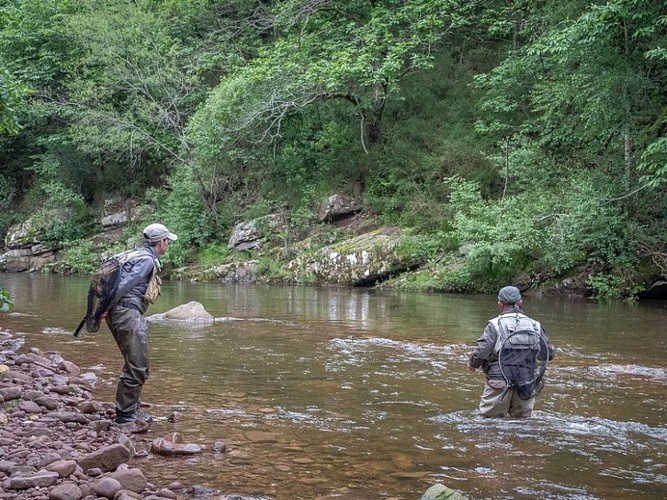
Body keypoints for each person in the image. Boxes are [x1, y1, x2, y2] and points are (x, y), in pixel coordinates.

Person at [104, 223, 177, 425]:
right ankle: (126, 416)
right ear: (161, 242)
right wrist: (105, 307)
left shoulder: (135, 255)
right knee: (138, 365)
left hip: (121, 313)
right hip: (127, 314)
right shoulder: (146, 261)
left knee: (133, 362)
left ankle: (130, 408)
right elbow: (124, 284)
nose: (168, 245)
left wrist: (107, 309)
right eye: (168, 241)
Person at [467, 286, 555, 418]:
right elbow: (548, 354)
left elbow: (481, 352)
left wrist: (472, 364)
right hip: (526, 383)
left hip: (498, 382)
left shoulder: (494, 325)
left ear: (499, 305)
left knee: (488, 425)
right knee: (522, 426)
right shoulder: (535, 325)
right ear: (520, 303)